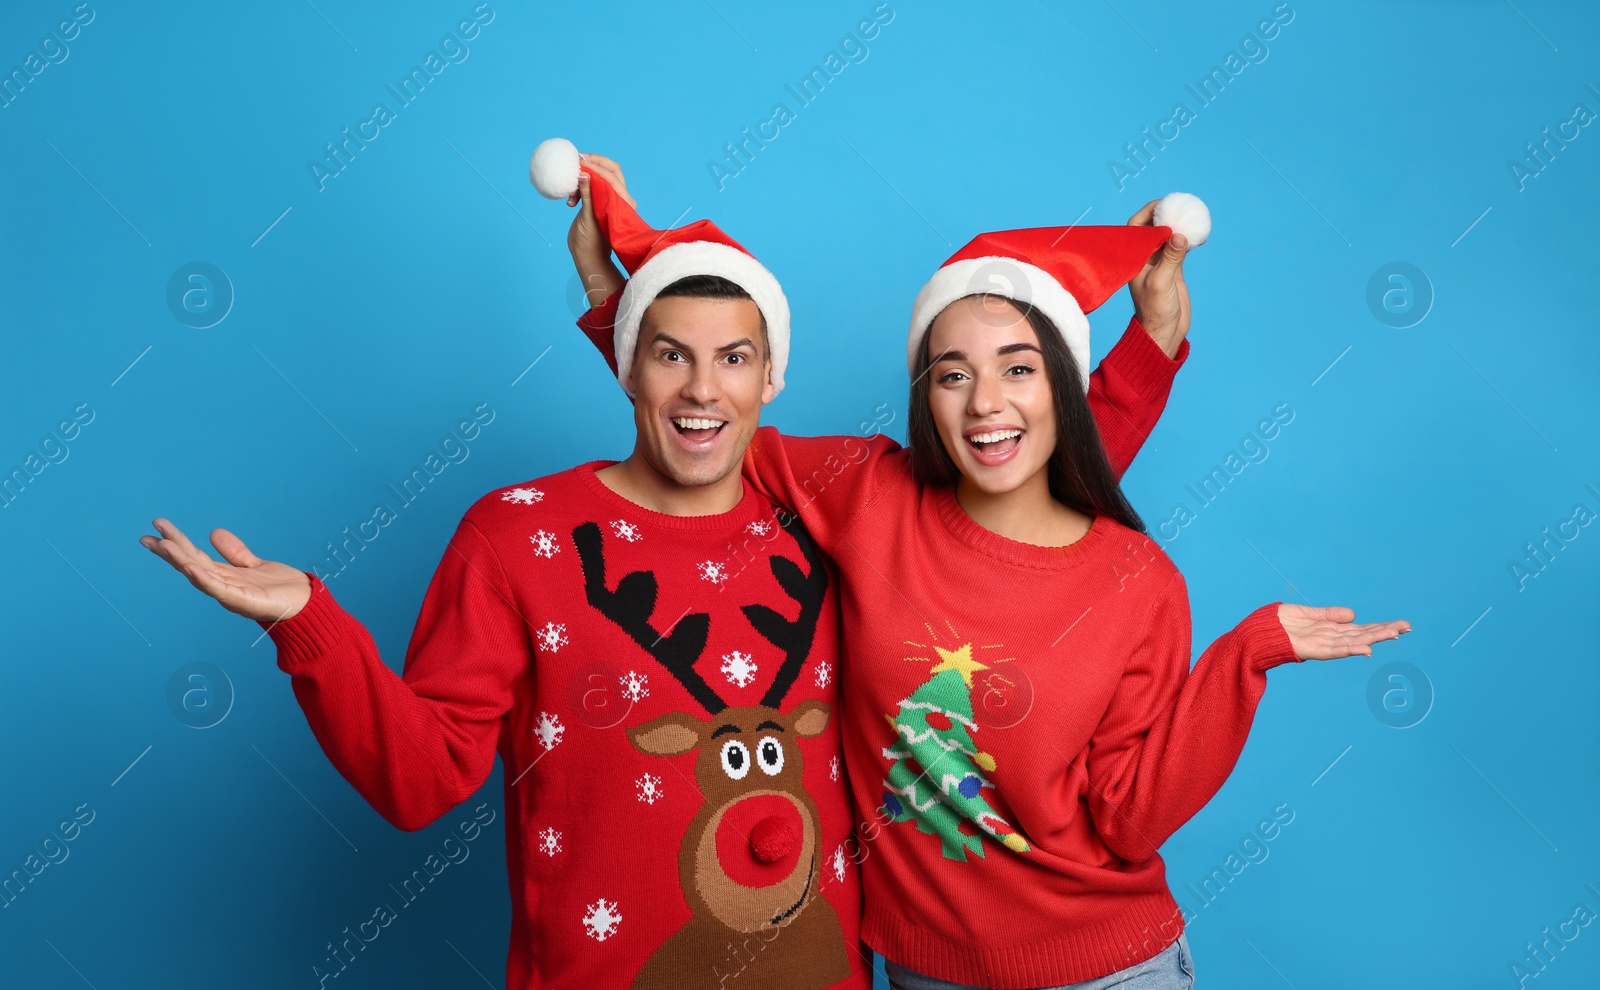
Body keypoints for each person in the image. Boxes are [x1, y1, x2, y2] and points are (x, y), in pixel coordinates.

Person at [554, 148, 1411, 990]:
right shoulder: (866, 495)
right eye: (952, 374)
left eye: (1019, 370)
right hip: (924, 970)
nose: (986, 401)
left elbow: (1129, 815)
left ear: (1060, 389)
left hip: (1107, 970)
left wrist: (1245, 656)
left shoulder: (1137, 581)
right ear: (925, 396)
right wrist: (612, 298)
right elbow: (706, 419)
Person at [140, 203, 893, 988]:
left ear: (771, 374)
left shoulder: (831, 519)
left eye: (735, 358)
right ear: (625, 364)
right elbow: (420, 780)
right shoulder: (514, 539)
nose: (702, 388)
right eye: (670, 356)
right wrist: (312, 628)